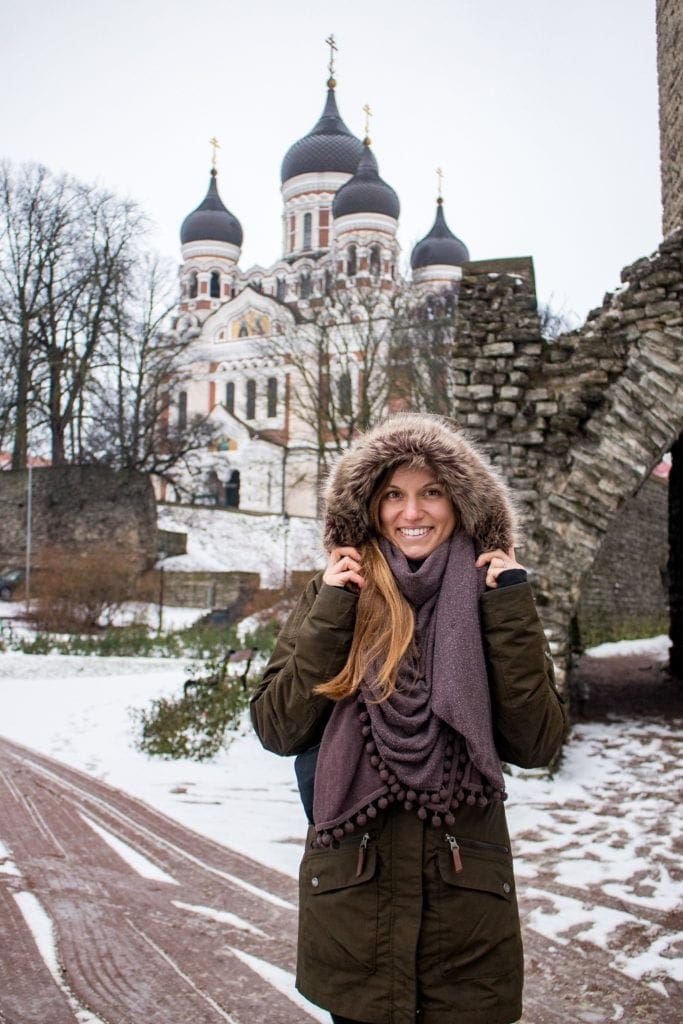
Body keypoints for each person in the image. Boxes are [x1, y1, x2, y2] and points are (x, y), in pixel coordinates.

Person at [250, 413, 567, 1024]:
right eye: (393, 494)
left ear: (462, 503)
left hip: (465, 917)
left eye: (431, 491)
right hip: (354, 910)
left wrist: (510, 612)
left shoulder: (494, 596)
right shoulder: (335, 592)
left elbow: (537, 742)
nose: (411, 512)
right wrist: (333, 608)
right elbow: (278, 727)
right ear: (368, 508)